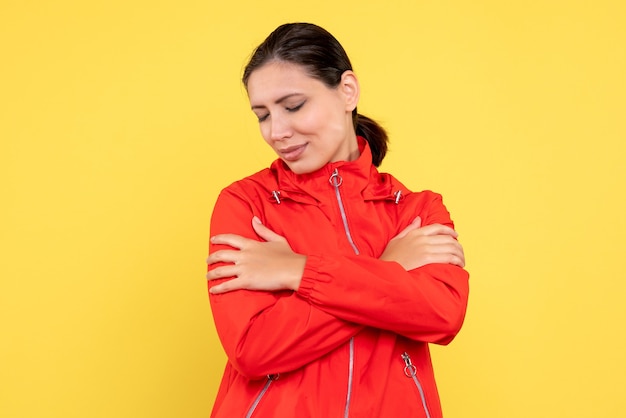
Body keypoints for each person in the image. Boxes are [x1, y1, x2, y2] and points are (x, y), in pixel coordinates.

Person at [206, 22, 469, 418]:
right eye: (262, 115)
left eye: (293, 106)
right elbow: (254, 349)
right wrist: (388, 268)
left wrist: (299, 271)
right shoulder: (246, 204)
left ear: (347, 90)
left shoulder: (415, 211)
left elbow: (443, 316)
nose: (277, 131)